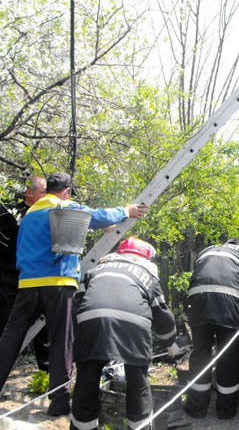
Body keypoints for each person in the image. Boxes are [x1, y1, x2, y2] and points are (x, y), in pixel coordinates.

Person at [0, 171, 147, 416]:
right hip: (57, 284)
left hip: (26, 284)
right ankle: (59, 403)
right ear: (66, 192)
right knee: (61, 343)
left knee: (8, 341)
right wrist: (126, 211)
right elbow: (95, 215)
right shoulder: (62, 206)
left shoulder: (30, 214)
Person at [66, 237, 177, 430]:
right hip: (133, 326)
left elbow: (77, 304)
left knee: (86, 385)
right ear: (146, 257)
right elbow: (162, 315)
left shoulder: (96, 270)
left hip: (90, 323)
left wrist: (83, 343)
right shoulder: (147, 275)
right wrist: (171, 344)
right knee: (138, 385)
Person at [183, 238, 239, 420]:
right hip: (229, 301)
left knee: (201, 354)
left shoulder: (207, 251)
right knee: (228, 355)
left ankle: (197, 407)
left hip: (197, 299)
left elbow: (196, 276)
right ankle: (226, 410)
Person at [0, 175, 47, 334]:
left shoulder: (47, 215)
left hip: (34, 279)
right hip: (9, 277)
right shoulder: (9, 214)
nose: (45, 197)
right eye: (42, 192)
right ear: (29, 192)